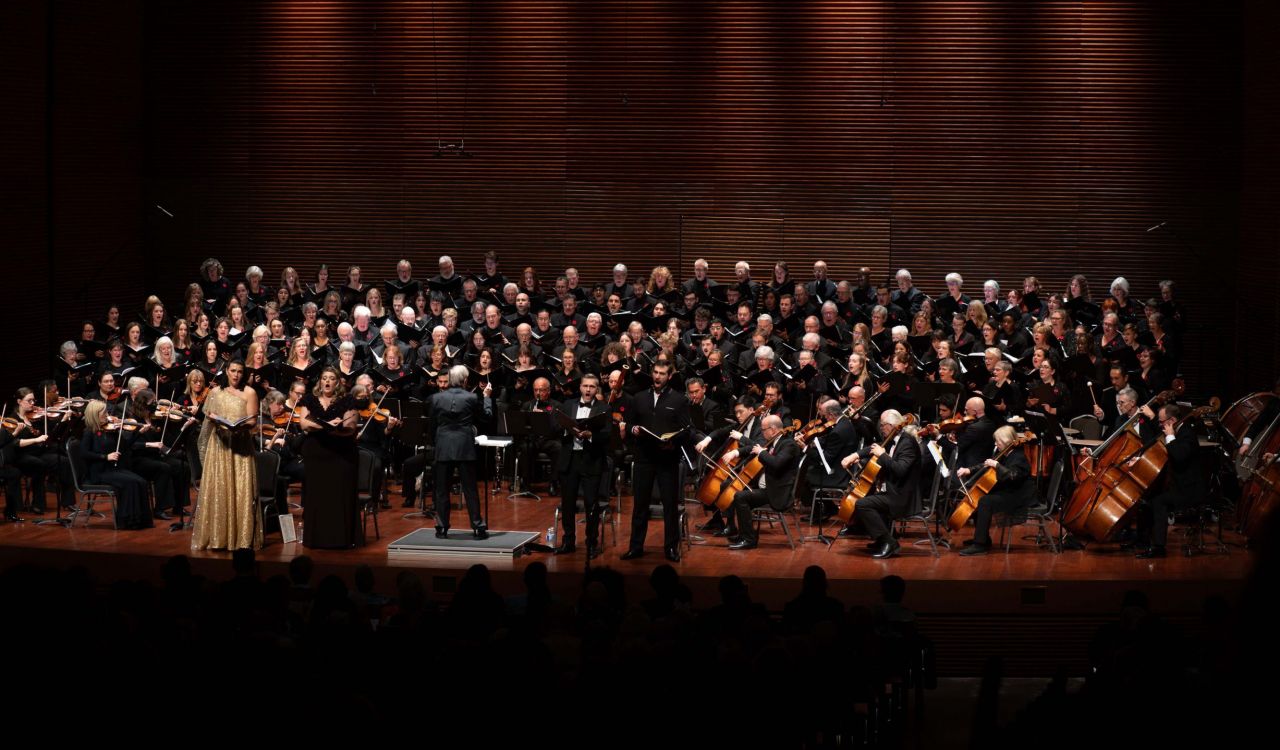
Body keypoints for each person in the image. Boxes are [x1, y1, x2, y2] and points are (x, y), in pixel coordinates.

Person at [623, 361, 698, 562]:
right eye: (655, 372)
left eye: (662, 373)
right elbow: (629, 423)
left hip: (667, 460)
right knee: (640, 506)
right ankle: (635, 547)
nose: (657, 377)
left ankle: (671, 548)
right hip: (643, 459)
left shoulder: (679, 399)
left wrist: (673, 443)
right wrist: (633, 429)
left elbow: (687, 430)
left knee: (670, 506)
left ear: (669, 376)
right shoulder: (638, 398)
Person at [192, 359, 261, 550]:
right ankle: (217, 538)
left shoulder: (250, 392)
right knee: (220, 489)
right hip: (219, 446)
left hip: (240, 446)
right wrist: (216, 420)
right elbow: (208, 417)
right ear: (227, 372)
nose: (236, 375)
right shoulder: (215, 392)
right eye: (233, 371)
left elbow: (253, 421)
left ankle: (241, 538)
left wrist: (237, 424)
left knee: (240, 490)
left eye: (240, 371)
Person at [838, 409, 920, 559]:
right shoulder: (893, 438)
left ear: (891, 425)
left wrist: (882, 454)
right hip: (892, 491)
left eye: (882, 425)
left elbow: (900, 470)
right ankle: (881, 539)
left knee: (863, 504)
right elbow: (873, 447)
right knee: (867, 496)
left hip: (902, 497)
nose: (880, 429)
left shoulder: (908, 443)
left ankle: (888, 542)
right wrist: (855, 455)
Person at [1132, 403, 1206, 559]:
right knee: (1146, 497)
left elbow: (1178, 456)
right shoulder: (1175, 430)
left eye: (1162, 421)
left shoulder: (1187, 434)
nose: (1160, 425)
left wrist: (1170, 437)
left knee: (1158, 501)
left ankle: (1159, 548)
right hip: (1175, 485)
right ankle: (1142, 542)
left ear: (1172, 420)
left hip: (1189, 490)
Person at [429, 365, 494, 539]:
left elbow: (431, 425)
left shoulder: (436, 398)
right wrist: (487, 398)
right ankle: (478, 527)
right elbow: (486, 417)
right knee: (470, 489)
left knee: (442, 489)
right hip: (465, 445)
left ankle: (441, 527)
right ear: (465, 381)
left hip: (443, 445)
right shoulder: (472, 397)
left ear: (450, 380)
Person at [297, 367, 360, 549]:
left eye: (331, 378)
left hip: (340, 454)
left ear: (338, 382)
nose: (327, 382)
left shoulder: (346, 400)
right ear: (320, 382)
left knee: (338, 496)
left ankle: (339, 538)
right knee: (317, 496)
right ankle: (316, 538)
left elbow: (350, 426)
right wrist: (326, 427)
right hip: (316, 455)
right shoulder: (309, 399)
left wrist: (334, 428)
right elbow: (304, 423)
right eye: (324, 378)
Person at [553, 374, 611, 557]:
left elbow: (608, 435)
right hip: (570, 459)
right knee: (568, 503)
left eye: (592, 387)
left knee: (590, 504)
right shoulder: (567, 405)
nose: (588, 390)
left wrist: (590, 435)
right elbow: (555, 428)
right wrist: (566, 429)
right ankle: (568, 541)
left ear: (596, 389)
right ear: (580, 387)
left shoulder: (604, 408)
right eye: (585, 386)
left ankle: (591, 543)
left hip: (591, 459)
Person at [954, 426, 1034, 556]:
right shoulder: (1004, 453)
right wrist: (969, 470)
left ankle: (980, 545)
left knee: (985, 501)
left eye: (998, 441)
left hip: (1018, 497)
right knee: (975, 498)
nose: (996, 444)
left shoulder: (1019, 457)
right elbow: (986, 464)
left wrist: (996, 465)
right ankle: (983, 538)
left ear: (1007, 441)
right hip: (1007, 492)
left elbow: (1012, 476)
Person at [725, 414, 801, 550]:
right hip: (769, 488)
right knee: (738, 492)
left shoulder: (789, 444)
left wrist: (761, 453)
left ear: (772, 429)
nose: (762, 433)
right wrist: (736, 452)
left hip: (777, 492)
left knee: (740, 496)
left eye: (763, 430)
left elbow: (777, 463)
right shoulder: (774, 441)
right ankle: (744, 535)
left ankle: (749, 539)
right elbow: (754, 446)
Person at [78, 400, 152, 530]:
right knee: (130, 483)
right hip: (99, 472)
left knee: (141, 481)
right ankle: (126, 521)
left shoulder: (110, 430)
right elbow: (83, 453)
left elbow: (126, 446)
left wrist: (138, 433)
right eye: (104, 412)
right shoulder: (89, 432)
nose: (107, 415)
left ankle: (141, 521)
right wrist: (105, 457)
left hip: (113, 469)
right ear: (95, 414)